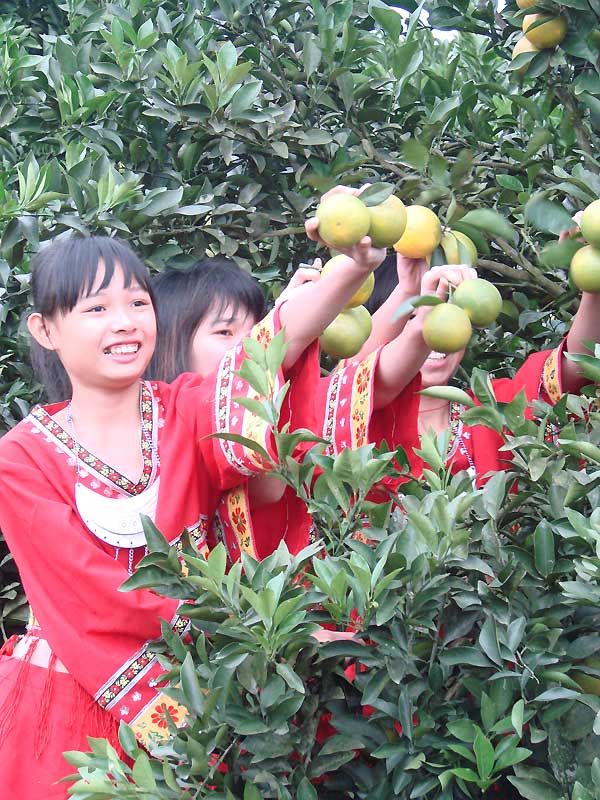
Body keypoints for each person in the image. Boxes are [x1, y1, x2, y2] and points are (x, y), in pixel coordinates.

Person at [0, 209, 383, 798]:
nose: (124, 324)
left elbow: (268, 351)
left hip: (212, 689)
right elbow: (91, 596)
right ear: (45, 330)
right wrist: (253, 632)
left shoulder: (185, 410)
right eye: (95, 309)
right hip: (75, 698)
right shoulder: (20, 459)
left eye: (137, 303)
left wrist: (351, 267)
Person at [148, 250, 475, 560]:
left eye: (255, 330)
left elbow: (360, 387)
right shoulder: (171, 426)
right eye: (224, 332)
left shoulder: (274, 419)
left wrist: (415, 315)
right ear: (171, 344)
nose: (246, 345)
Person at [360, 246, 600, 483]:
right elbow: (352, 383)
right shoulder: (355, 426)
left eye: (451, 318)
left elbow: (576, 366)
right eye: (414, 319)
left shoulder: (493, 411)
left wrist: (593, 271)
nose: (433, 335)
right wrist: (405, 290)